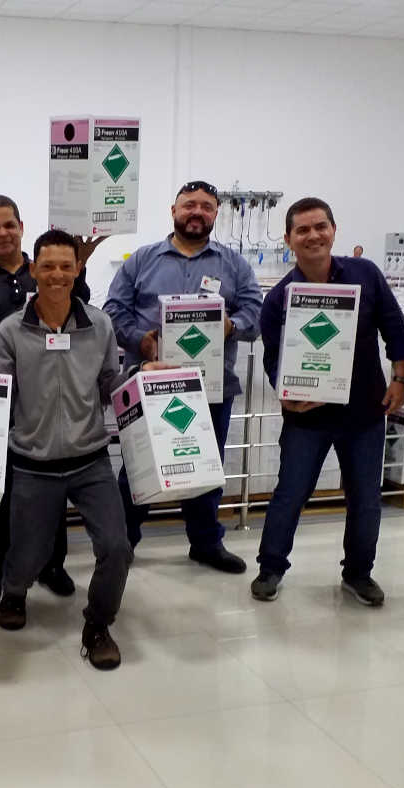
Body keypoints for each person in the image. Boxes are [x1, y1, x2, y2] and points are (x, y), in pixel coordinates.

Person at [0, 229, 164, 671]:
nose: (56, 275)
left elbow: (110, 385)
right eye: (47, 266)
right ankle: (14, 592)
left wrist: (144, 375)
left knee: (116, 547)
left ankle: (98, 625)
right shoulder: (11, 330)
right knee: (28, 556)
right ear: (33, 270)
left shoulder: (99, 325)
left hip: (90, 460)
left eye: (66, 266)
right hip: (33, 461)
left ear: (77, 270)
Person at [0, 194, 102, 603]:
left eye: (8, 224)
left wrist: (82, 260)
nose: (2, 233)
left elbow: (78, 315)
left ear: (21, 227)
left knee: (51, 491)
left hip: (48, 404)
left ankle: (52, 563)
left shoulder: (44, 272)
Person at [250, 197, 404, 605]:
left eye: (320, 226)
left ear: (333, 230)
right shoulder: (279, 298)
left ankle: (358, 574)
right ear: (288, 239)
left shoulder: (365, 275)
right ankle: (271, 568)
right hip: (309, 417)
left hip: (364, 412)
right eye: (302, 230)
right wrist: (285, 395)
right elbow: (272, 358)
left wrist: (400, 377)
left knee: (365, 496)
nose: (313, 235)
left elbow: (394, 326)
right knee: (291, 492)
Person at [103, 180, 262, 573]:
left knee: (205, 468)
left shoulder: (234, 265)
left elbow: (256, 315)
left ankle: (206, 544)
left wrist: (230, 326)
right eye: (189, 204)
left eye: (207, 206)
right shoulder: (141, 261)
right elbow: (112, 312)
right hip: (148, 384)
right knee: (136, 467)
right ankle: (123, 544)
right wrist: (142, 342)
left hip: (211, 388)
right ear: (173, 211)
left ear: (215, 215)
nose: (198, 212)